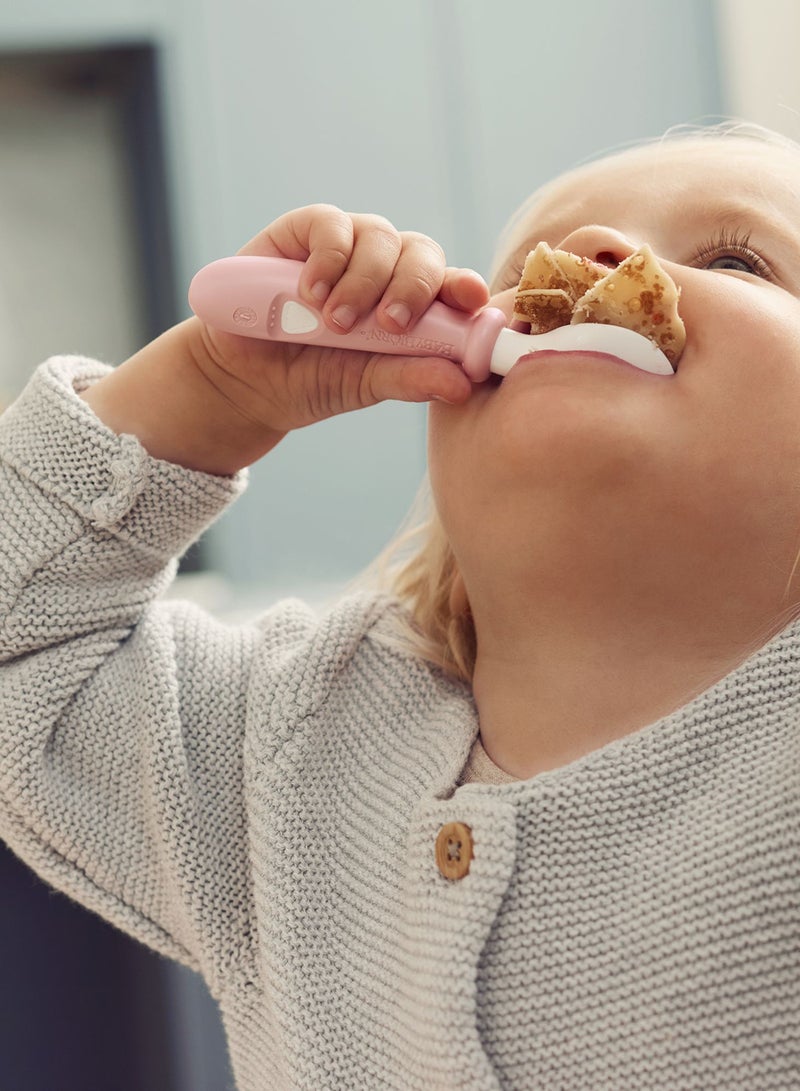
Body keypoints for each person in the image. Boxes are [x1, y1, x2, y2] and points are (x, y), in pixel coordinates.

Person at [1, 121, 799, 1090]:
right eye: (524, 267)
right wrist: (204, 394)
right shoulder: (291, 746)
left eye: (733, 257)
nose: (581, 258)